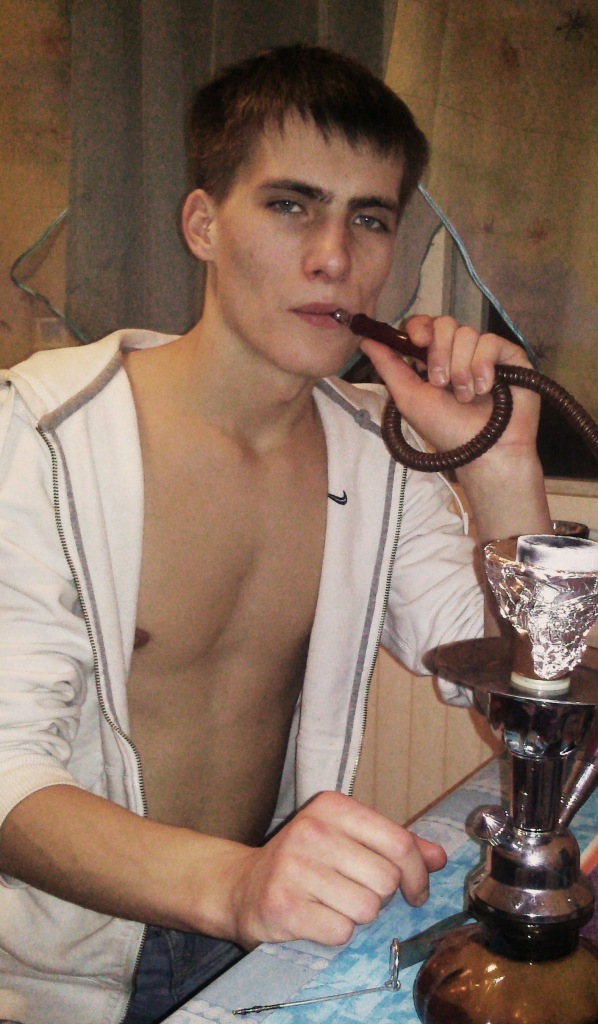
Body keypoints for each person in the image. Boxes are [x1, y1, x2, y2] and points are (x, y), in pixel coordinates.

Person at [0, 44, 551, 1024]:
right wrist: (235, 886)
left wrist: (502, 469)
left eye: (369, 218)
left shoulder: (379, 457)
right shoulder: (39, 437)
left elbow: (524, 693)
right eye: (292, 204)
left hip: (262, 925)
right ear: (203, 224)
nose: (333, 257)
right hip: (60, 962)